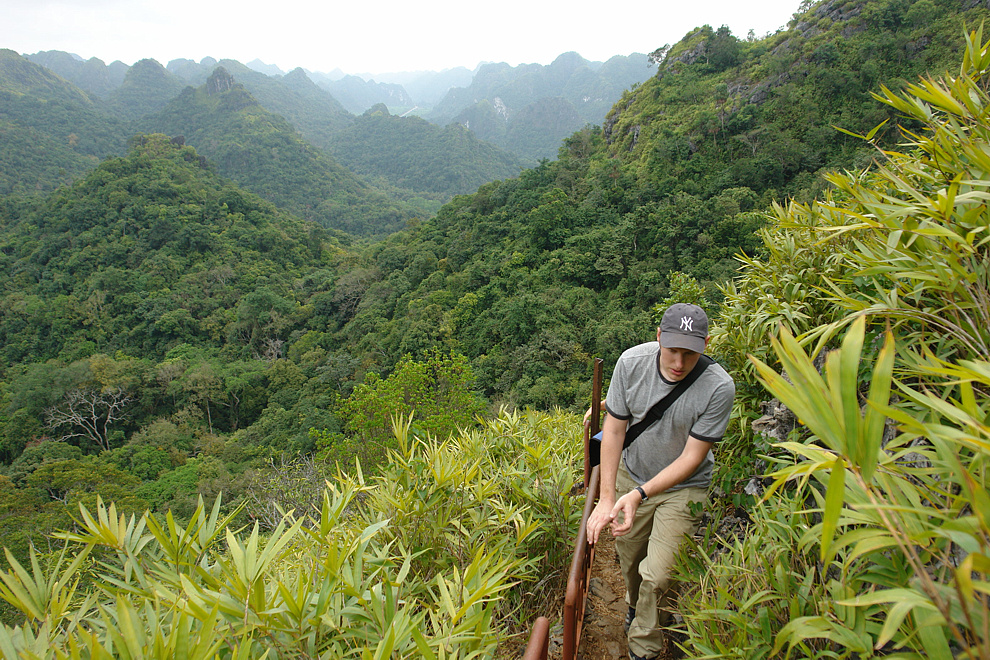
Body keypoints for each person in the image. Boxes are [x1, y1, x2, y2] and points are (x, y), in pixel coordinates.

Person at [586, 303, 735, 660]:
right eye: (672, 351)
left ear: (706, 344)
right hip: (631, 471)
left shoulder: (718, 387)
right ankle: (636, 605)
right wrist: (607, 498)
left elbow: (692, 458)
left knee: (658, 574)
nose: (679, 363)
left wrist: (640, 494)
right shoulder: (631, 363)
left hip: (683, 487)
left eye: (690, 353)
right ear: (658, 338)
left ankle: (644, 647)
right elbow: (616, 429)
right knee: (631, 558)